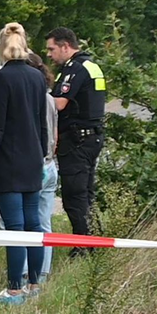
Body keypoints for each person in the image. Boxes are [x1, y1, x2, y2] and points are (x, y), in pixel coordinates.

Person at [0, 23, 48, 304]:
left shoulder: (1, 78)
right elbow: (42, 121)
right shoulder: (37, 76)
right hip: (33, 157)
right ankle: (34, 284)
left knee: (15, 227)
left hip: (9, 159)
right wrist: (42, 155)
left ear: (2, 46)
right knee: (34, 224)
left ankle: (14, 288)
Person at [45, 26, 106, 254]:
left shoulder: (75, 68)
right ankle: (92, 241)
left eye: (52, 49)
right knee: (86, 194)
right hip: (90, 137)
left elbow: (59, 103)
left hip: (77, 141)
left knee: (74, 195)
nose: (49, 55)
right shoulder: (90, 65)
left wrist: (35, 99)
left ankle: (83, 245)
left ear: (65, 46)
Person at [27, 52, 58, 282]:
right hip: (49, 163)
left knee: (24, 222)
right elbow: (54, 133)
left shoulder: (31, 99)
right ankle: (44, 271)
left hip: (34, 166)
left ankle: (27, 271)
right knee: (44, 222)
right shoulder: (49, 97)